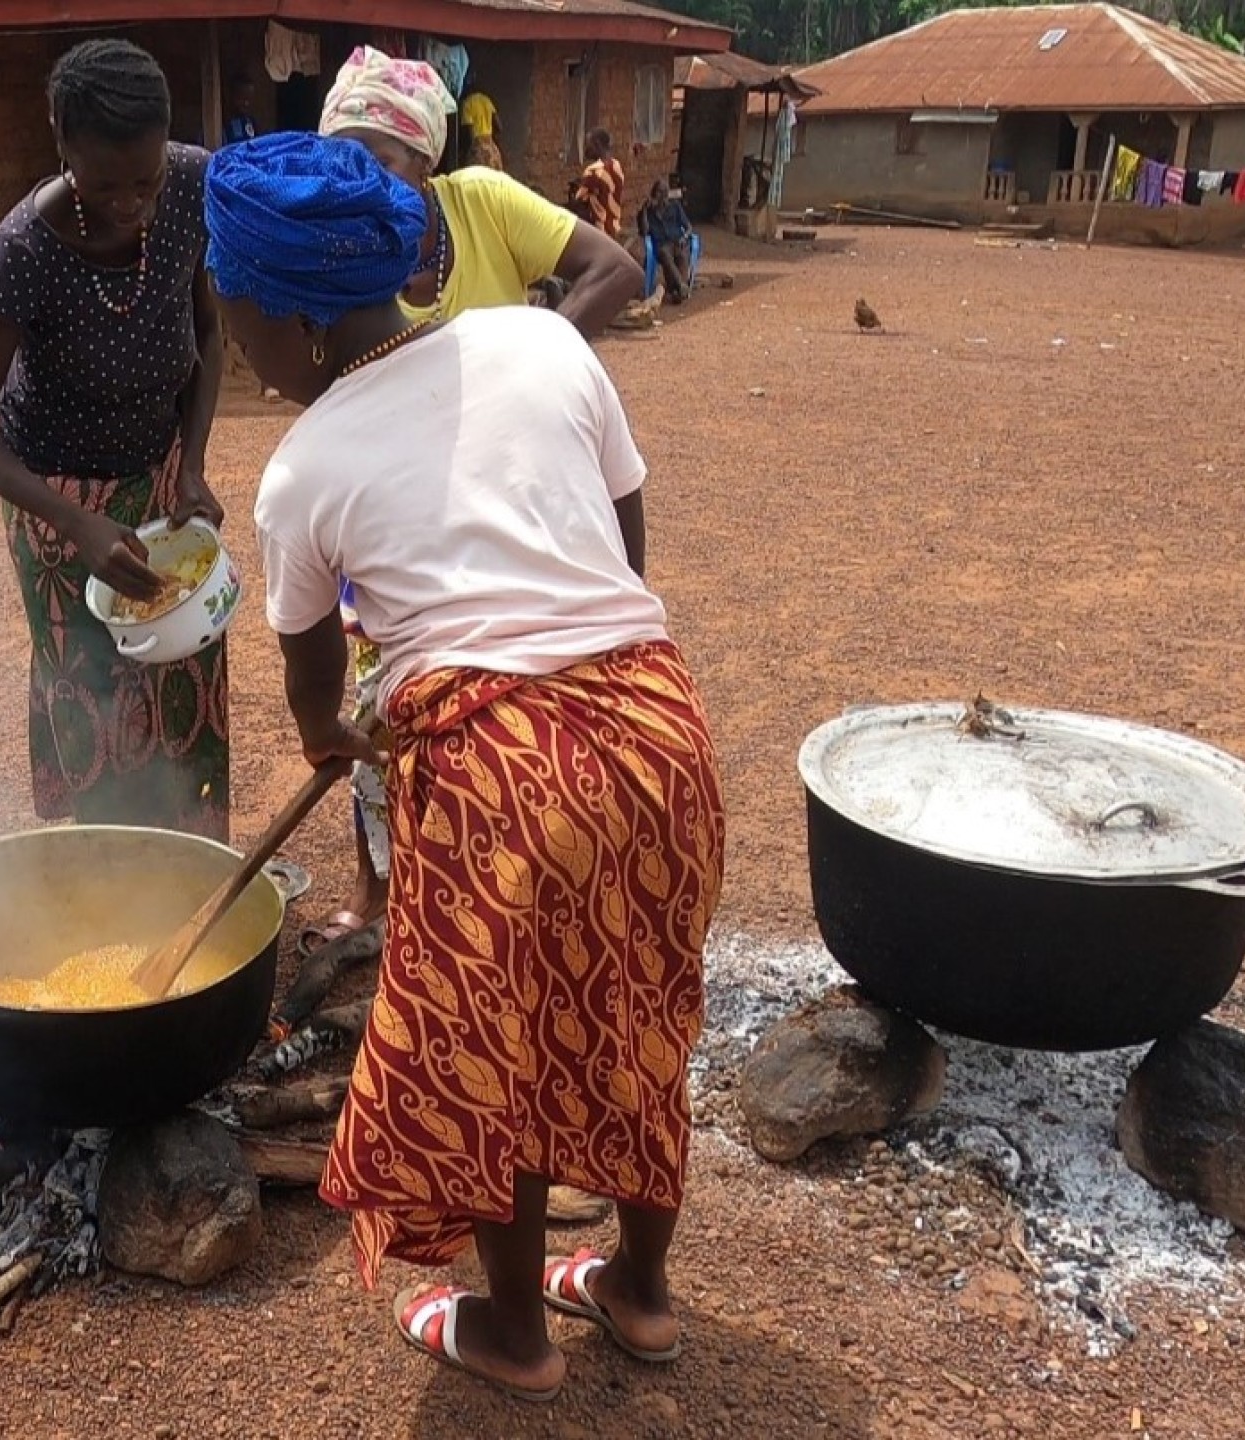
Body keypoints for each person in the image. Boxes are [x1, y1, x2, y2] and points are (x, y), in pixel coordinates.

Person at [208, 132, 725, 1403]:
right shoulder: (545, 341)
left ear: (286, 313)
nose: (232, 344)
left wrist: (335, 740)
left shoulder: (303, 471)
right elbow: (623, 535)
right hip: (660, 737)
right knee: (638, 1017)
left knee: (501, 1046)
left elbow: (316, 682)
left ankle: (513, 1332)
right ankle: (641, 1298)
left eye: (230, 311)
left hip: (499, 776)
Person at [304, 44, 644, 956]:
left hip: (509, 500)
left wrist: (534, 356)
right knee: (380, 699)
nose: (359, 177)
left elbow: (616, 270)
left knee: (504, 718)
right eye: (343, 155)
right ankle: (381, 892)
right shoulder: (337, 246)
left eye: (381, 159)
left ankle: (489, 896)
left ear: (426, 161)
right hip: (397, 517)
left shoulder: (482, 206)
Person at [0, 39, 230, 839]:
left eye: (146, 180)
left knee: (182, 674)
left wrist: (193, 467)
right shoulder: (22, 254)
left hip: (161, 480)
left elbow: (207, 332)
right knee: (94, 688)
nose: (133, 202)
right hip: (56, 501)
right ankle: (112, 881)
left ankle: (194, 860)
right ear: (61, 144)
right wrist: (76, 523)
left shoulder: (195, 185)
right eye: (106, 185)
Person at [637, 176, 695, 305]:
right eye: (659, 192)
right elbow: (645, 231)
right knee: (665, 255)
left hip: (678, 240)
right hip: (662, 244)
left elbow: (689, 227)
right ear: (654, 193)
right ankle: (681, 286)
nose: (662, 196)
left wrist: (684, 237)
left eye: (664, 192)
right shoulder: (648, 211)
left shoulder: (674, 207)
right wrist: (645, 211)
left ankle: (677, 290)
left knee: (682, 256)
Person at [573, 127, 626, 238]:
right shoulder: (616, 165)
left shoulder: (593, 171)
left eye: (588, 144)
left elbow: (578, 201)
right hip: (614, 228)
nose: (586, 148)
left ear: (597, 144)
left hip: (598, 231)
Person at [458, 81, 501, 171]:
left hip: (477, 146)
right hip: (491, 145)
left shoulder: (468, 103)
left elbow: (468, 131)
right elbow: (499, 126)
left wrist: (464, 152)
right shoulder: (486, 100)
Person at [223, 75, 259, 147]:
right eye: (241, 98)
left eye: (249, 99)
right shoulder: (222, 123)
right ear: (231, 96)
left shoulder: (250, 121)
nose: (246, 103)